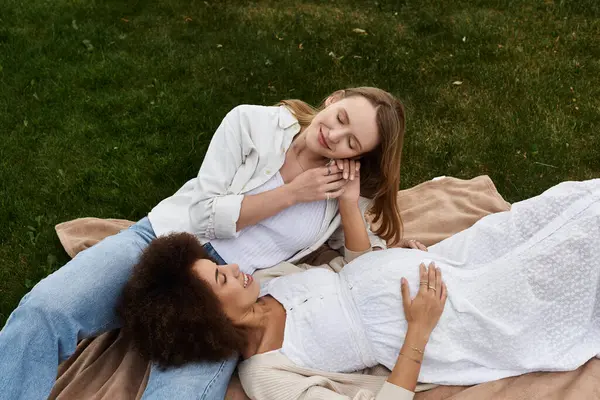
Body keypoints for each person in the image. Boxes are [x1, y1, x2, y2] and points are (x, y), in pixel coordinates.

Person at [0, 87, 422, 400]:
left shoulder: (337, 186)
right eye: (342, 118)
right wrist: (292, 193)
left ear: (359, 156)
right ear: (334, 98)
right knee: (45, 310)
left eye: (353, 142)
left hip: (228, 297)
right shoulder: (252, 123)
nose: (336, 136)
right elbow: (204, 213)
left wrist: (351, 205)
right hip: (163, 243)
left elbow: (358, 259)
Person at [119, 178, 600, 399]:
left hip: (445, 262)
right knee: (578, 244)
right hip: (448, 321)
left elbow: (349, 275)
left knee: (565, 203)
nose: (237, 268)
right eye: (220, 278)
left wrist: (385, 247)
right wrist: (420, 326)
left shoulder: (269, 287)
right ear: (207, 316)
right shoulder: (268, 377)